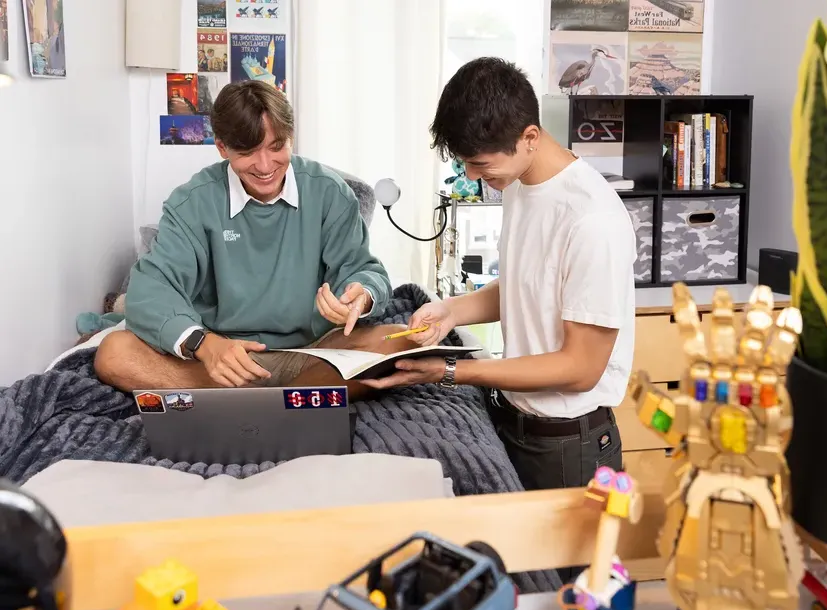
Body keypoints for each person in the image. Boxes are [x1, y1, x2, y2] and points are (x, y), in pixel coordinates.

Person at [360, 58, 637, 490]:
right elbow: (529, 287)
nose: (471, 175)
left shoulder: (592, 220)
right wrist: (449, 311)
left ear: (530, 137)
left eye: (479, 163)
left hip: (566, 446)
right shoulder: (521, 184)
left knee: (572, 561)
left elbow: (581, 368)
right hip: (513, 422)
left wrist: (451, 370)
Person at [95, 80, 413, 395]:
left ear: (291, 138)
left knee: (402, 341)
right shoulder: (191, 202)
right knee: (113, 353)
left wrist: (363, 294)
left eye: (277, 147)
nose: (265, 167)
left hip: (315, 350)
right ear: (222, 147)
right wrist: (203, 345)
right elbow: (150, 289)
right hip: (220, 356)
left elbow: (364, 270)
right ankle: (295, 399)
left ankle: (252, 402)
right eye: (248, 152)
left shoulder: (330, 192)